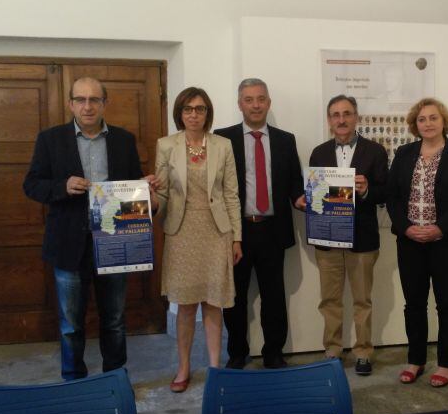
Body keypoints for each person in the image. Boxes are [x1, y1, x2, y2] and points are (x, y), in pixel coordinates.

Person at [23, 77, 143, 380]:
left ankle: (114, 380)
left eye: (94, 100)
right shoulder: (50, 139)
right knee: (70, 324)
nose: (87, 106)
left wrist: (146, 191)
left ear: (105, 103)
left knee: (114, 320)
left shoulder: (123, 140)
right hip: (68, 243)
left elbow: (134, 186)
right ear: (71, 103)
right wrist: (62, 186)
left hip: (114, 242)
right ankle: (73, 381)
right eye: (81, 99)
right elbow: (32, 185)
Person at [151, 87, 242, 392]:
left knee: (214, 304)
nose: (193, 114)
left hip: (217, 231)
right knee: (186, 305)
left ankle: (215, 368)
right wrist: (150, 195)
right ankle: (184, 366)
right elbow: (162, 195)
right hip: (181, 231)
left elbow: (231, 194)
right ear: (180, 113)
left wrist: (236, 238)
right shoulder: (166, 145)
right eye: (188, 109)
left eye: (200, 109)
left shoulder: (223, 145)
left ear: (207, 113)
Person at [386, 97, 448, 387]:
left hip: (446, 242)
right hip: (410, 241)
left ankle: (446, 363)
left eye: (433, 118)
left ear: (444, 121)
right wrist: (406, 228)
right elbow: (393, 197)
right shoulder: (404, 153)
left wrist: (439, 228)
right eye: (422, 119)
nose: (427, 123)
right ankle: (416, 360)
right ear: (416, 124)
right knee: (413, 304)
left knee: (447, 303)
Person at [214, 79, 304, 369]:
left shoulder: (285, 140)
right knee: (234, 298)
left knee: (274, 296)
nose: (255, 105)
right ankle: (238, 353)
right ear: (239, 104)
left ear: (269, 102)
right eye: (249, 99)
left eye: (261, 99)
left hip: (273, 230)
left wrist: (300, 199)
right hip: (236, 232)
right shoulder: (222, 139)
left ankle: (273, 353)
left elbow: (294, 182)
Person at [308, 95, 388, 375]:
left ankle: (363, 352)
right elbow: (317, 197)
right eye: (335, 114)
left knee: (362, 299)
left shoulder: (375, 152)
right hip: (327, 239)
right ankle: (332, 350)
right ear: (329, 120)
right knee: (329, 299)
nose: (341, 119)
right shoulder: (318, 153)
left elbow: (385, 193)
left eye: (347, 113)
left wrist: (366, 189)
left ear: (356, 117)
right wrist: (308, 201)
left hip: (363, 240)